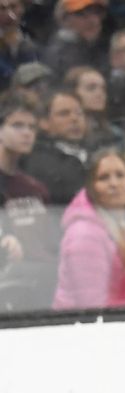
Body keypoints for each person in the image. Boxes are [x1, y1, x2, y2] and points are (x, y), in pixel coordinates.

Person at [52, 147, 125, 309]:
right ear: (91, 187)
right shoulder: (84, 234)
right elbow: (92, 308)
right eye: (103, 178)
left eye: (120, 175)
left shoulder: (124, 225)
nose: (114, 183)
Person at [0, 91, 59, 310]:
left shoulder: (35, 187)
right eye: (17, 125)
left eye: (32, 127)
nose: (27, 133)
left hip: (43, 282)